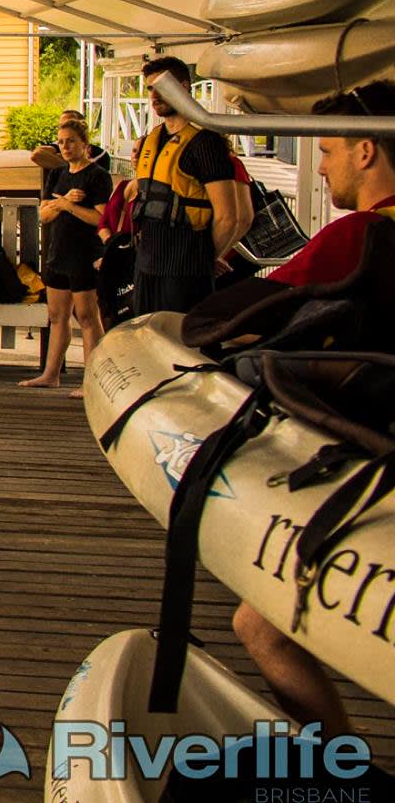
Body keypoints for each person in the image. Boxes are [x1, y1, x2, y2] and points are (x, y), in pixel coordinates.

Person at [230, 82, 395, 737]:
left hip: (369, 467)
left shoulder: (360, 233)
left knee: (260, 625)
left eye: (326, 152)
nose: (320, 167)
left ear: (365, 150)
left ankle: (338, 767)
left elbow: (251, 309)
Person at [129, 56, 250, 314]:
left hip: (185, 273)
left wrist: (204, 257)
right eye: (150, 88)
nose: (154, 96)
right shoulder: (151, 140)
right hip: (146, 266)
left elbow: (229, 217)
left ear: (183, 87)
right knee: (145, 336)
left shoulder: (205, 143)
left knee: (179, 338)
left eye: (160, 87)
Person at [20, 118, 111, 394]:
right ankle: (51, 374)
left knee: (87, 316)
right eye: (61, 142)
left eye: (71, 141)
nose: (65, 146)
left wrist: (68, 206)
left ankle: (91, 381)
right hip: (58, 251)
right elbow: (44, 214)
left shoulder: (97, 176)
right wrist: (62, 203)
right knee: (57, 315)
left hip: (85, 254)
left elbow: (100, 218)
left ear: (85, 144)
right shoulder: (58, 174)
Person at [30, 108, 107, 198]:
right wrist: (69, 167)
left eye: (69, 124)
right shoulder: (59, 148)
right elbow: (37, 154)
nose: (64, 128)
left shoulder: (100, 155)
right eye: (61, 126)